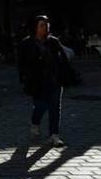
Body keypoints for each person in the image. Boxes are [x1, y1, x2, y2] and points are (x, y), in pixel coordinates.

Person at [18, 15, 71, 148]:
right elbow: (21, 63)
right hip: (37, 81)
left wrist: (66, 75)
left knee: (55, 107)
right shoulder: (27, 43)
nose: (45, 27)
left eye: (47, 24)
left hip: (54, 80)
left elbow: (63, 59)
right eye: (42, 25)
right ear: (35, 27)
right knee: (41, 106)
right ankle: (35, 123)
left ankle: (54, 135)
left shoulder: (53, 41)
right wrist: (24, 78)